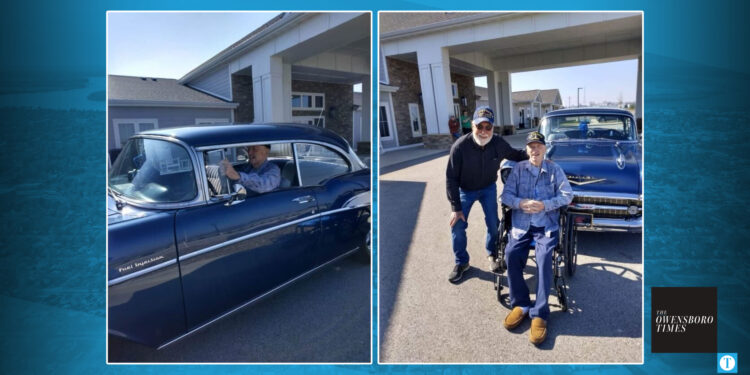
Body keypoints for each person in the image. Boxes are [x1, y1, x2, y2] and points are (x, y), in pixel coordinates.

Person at [499, 131, 573, 345]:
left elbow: (567, 195)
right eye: (531, 146)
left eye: (538, 145)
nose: (535, 149)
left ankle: (540, 313)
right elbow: (506, 196)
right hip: (521, 224)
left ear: (544, 148)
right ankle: (521, 305)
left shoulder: (554, 170)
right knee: (511, 254)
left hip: (545, 225)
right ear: (527, 149)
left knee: (543, 260)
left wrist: (545, 205)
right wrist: (521, 203)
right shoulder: (518, 170)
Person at [446, 106, 527, 284]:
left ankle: (492, 254)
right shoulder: (459, 147)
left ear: (492, 128)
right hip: (465, 190)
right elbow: (451, 178)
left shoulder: (498, 143)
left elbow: (516, 154)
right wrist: (455, 207)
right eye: (479, 127)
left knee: (493, 224)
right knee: (457, 226)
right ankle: (462, 263)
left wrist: (535, 154)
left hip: (488, 188)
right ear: (472, 126)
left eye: (487, 127)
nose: (483, 131)